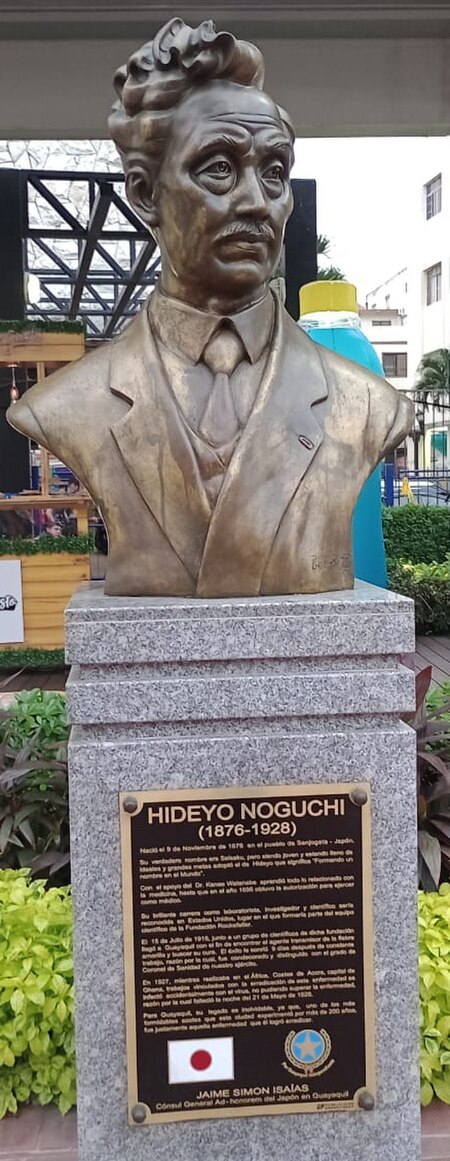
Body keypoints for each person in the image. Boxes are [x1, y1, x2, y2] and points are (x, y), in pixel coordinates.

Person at [7, 17, 413, 598]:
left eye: (275, 173)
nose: (257, 202)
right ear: (146, 193)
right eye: (219, 168)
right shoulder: (69, 403)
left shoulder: (366, 405)